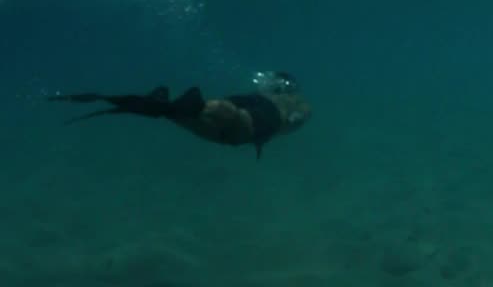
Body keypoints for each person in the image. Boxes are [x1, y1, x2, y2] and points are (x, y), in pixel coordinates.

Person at [48, 70, 310, 159]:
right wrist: (290, 122)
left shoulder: (292, 97)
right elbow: (297, 120)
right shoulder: (285, 98)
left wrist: (291, 119)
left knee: (223, 113)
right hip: (246, 131)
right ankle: (167, 108)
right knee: (205, 120)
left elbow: (301, 115)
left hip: (259, 118)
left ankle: (166, 106)